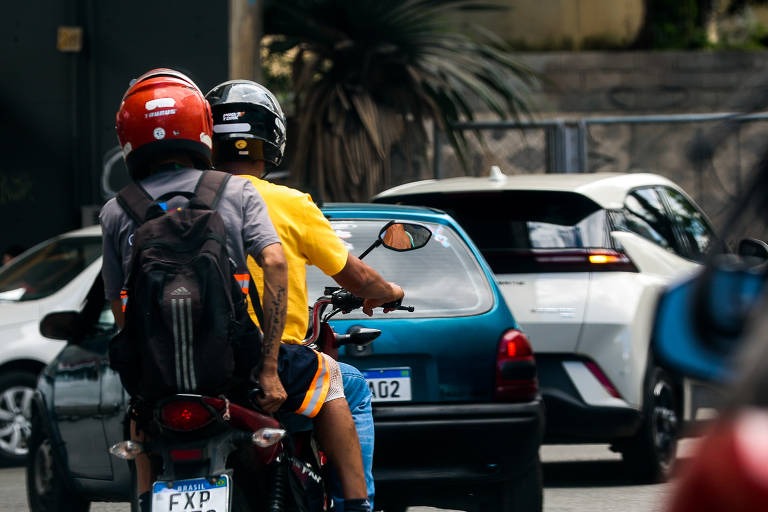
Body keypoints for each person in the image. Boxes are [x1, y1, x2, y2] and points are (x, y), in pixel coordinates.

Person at [100, 68, 372, 512]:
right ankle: (356, 505)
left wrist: (144, 371)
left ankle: (146, 499)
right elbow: (276, 262)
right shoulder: (235, 192)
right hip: (237, 366)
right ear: (200, 128)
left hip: (158, 377)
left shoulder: (116, 210)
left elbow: (119, 303)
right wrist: (267, 367)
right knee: (336, 379)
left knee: (140, 420)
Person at [205, 79, 406, 511]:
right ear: (272, 140)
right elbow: (354, 275)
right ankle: (356, 503)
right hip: (268, 359)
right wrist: (388, 290)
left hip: (195, 360)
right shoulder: (289, 203)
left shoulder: (186, 199)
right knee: (345, 380)